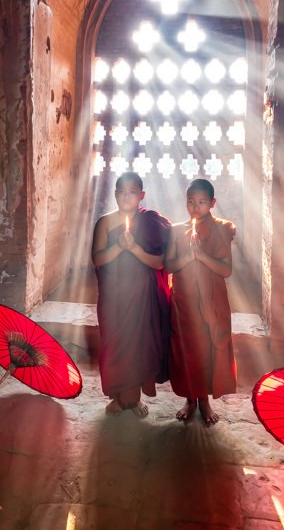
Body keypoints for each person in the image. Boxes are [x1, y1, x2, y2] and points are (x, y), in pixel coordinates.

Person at [91, 172, 171, 417]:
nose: (126, 197)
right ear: (115, 194)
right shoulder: (105, 222)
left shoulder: (149, 223)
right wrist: (119, 247)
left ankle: (133, 399)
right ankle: (117, 397)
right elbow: (97, 259)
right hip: (114, 297)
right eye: (121, 192)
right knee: (115, 344)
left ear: (141, 196)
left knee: (138, 346)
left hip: (141, 295)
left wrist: (134, 247)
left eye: (132, 192)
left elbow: (158, 263)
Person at [165, 178, 237, 424]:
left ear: (212, 203)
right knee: (187, 349)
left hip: (212, 302)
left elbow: (225, 269)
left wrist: (201, 254)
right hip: (183, 300)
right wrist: (188, 256)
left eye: (202, 202)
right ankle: (189, 399)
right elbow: (170, 266)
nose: (195, 207)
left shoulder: (221, 230)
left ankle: (204, 401)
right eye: (191, 202)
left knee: (207, 348)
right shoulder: (176, 231)